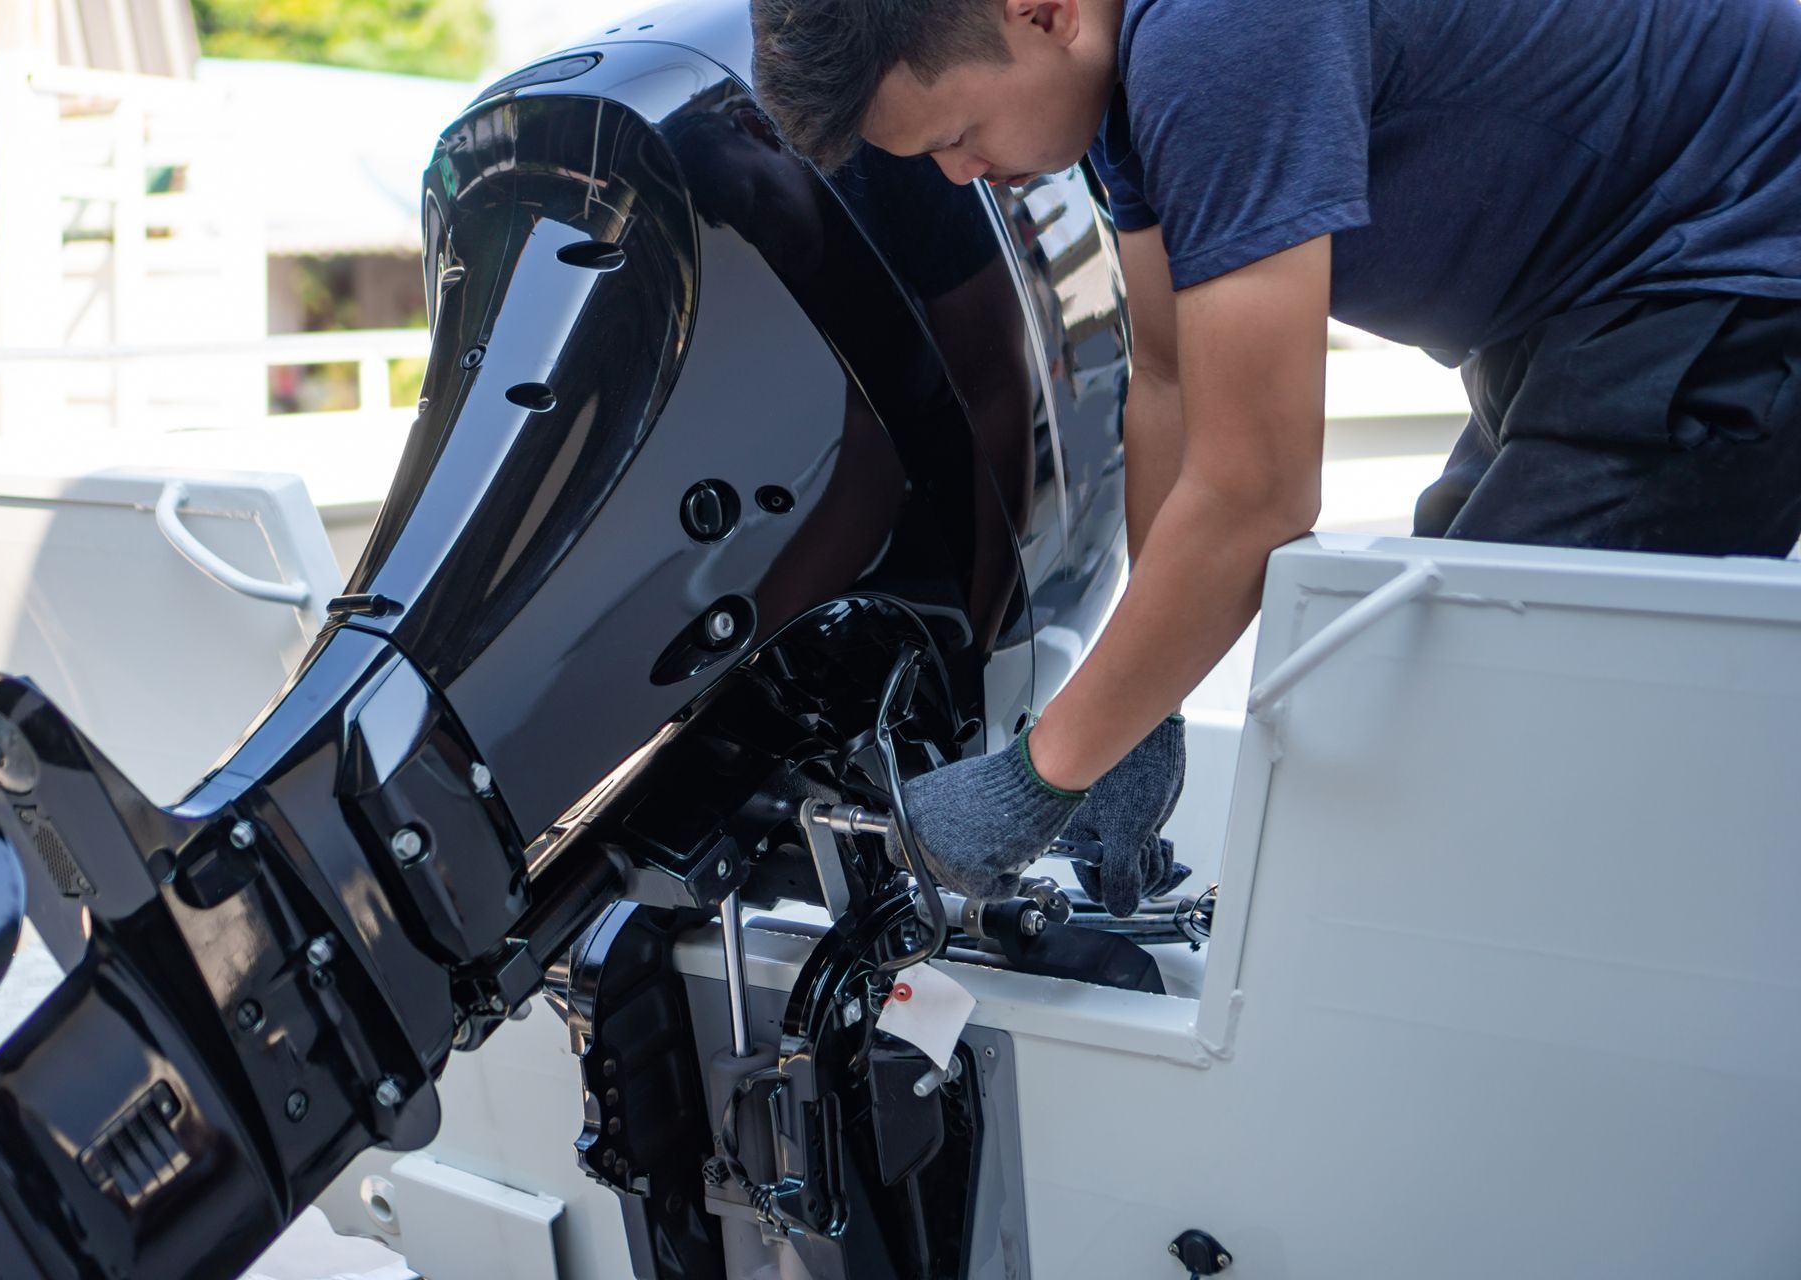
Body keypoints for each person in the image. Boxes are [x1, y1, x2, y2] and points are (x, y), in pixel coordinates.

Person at [748, 0, 1801, 912]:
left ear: (1041, 11)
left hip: (1737, 253)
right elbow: (1167, 375)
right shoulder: (1123, 67)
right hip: (1601, 291)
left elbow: (1257, 493)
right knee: (1434, 689)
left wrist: (1040, 773)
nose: (961, 174)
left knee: (1482, 733)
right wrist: (1136, 709)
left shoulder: (1217, 39)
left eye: (962, 133)